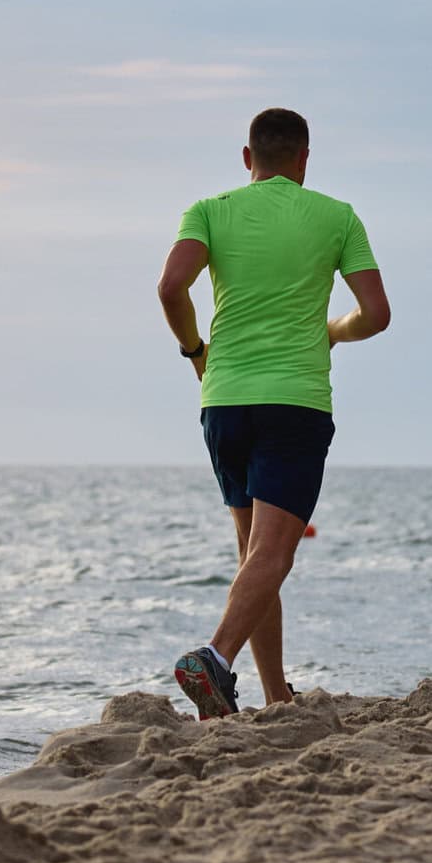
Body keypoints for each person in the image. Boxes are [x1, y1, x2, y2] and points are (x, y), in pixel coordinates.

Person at [157, 108, 390, 718]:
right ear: (304, 161)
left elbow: (170, 286)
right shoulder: (337, 216)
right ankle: (214, 657)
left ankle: (273, 693)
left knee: (254, 554)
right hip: (294, 402)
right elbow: (377, 312)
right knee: (274, 554)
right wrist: (334, 330)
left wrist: (193, 350)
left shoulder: (209, 210)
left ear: (246, 158)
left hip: (223, 400)